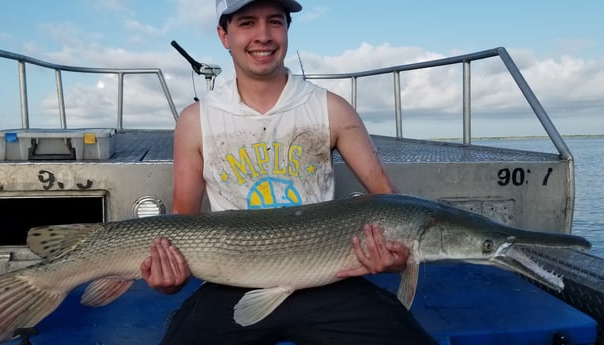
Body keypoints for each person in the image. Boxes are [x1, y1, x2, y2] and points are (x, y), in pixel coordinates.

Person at [140, 0, 438, 344]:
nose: (263, 36)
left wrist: (398, 254)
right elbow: (183, 221)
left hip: (327, 278)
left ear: (287, 30)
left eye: (275, 22)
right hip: (231, 281)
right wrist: (170, 277)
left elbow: (388, 200)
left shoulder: (331, 107)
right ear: (224, 34)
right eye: (247, 23)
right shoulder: (195, 120)